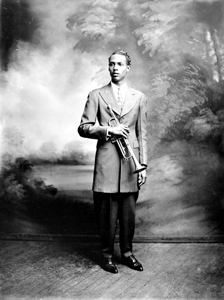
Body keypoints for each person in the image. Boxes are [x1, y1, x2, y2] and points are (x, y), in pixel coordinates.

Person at [78, 49, 147, 274]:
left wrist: (143, 165)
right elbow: (84, 127)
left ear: (128, 68)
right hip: (107, 162)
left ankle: (127, 254)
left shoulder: (140, 97)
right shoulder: (96, 95)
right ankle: (106, 255)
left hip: (130, 164)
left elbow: (142, 134)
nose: (115, 68)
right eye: (111, 64)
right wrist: (109, 129)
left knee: (128, 215)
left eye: (119, 64)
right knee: (106, 215)